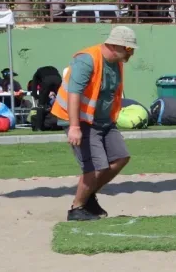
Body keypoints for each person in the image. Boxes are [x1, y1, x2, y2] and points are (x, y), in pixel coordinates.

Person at [51, 26, 138, 221]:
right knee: (96, 167)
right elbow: (74, 94)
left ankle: (88, 197)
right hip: (81, 120)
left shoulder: (116, 62)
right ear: (115, 45)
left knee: (121, 157)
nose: (130, 53)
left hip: (104, 121)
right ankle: (77, 208)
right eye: (128, 49)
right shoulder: (87, 60)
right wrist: (74, 127)